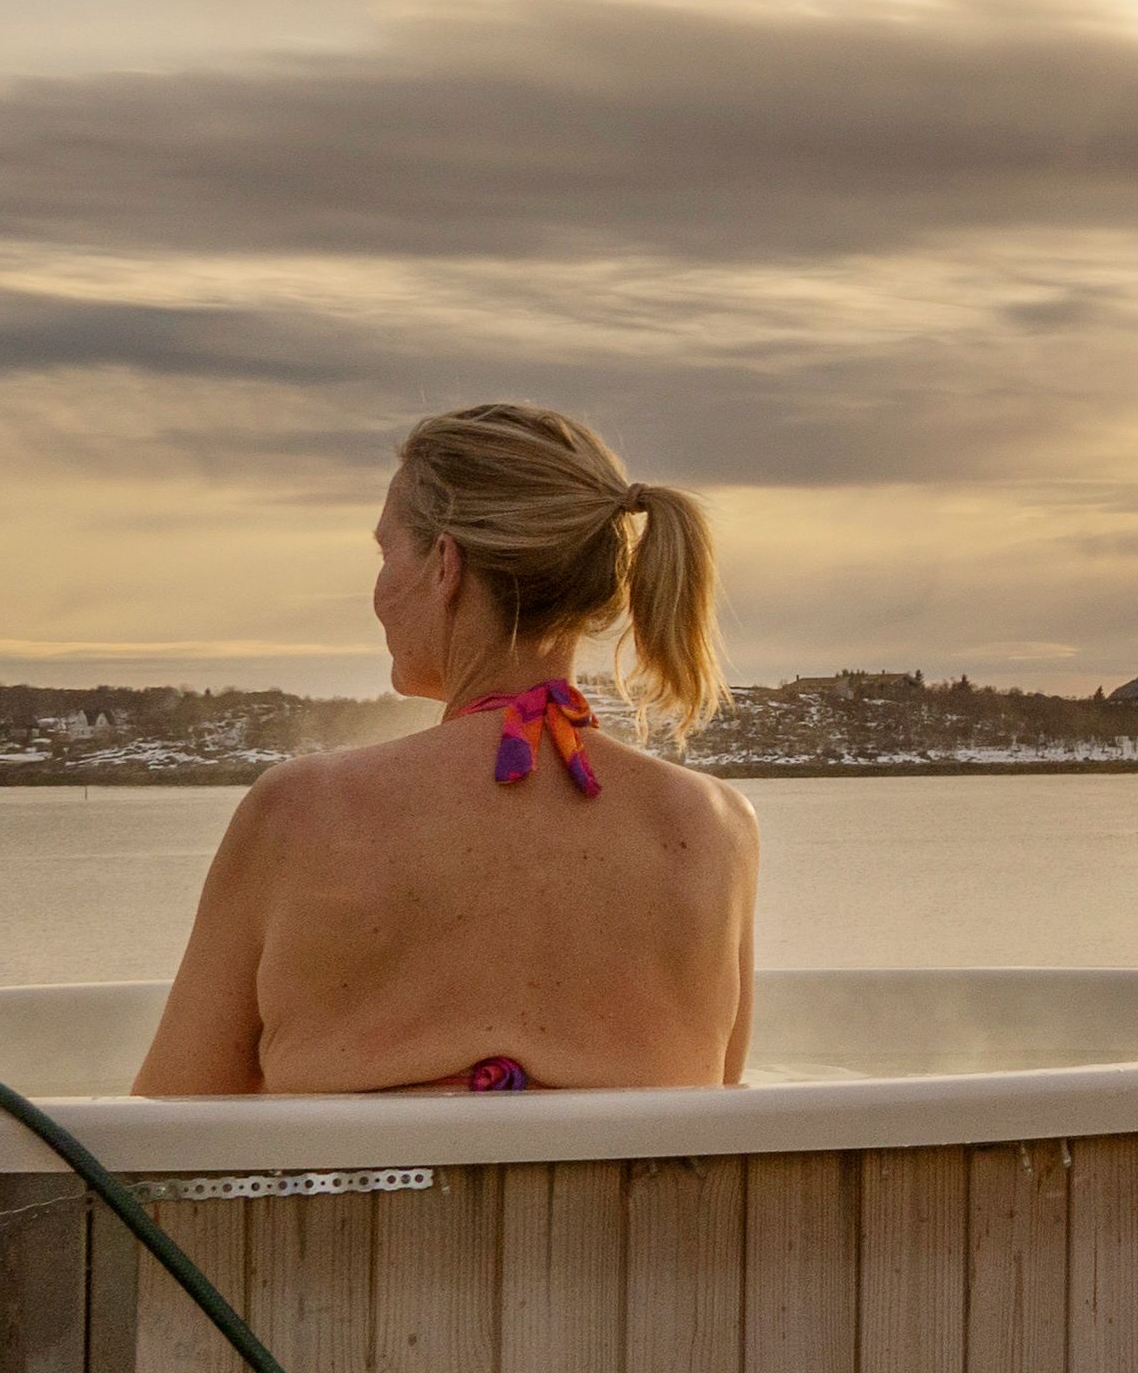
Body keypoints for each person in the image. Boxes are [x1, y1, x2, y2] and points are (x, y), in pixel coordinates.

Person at [133, 403, 760, 1096]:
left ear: (444, 564)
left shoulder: (303, 811)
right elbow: (719, 1116)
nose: (377, 589)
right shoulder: (714, 826)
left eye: (384, 553)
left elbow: (168, 1123)